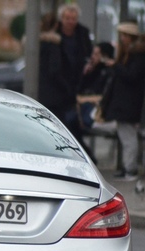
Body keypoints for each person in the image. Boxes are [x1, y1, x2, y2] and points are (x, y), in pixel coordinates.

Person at [98, 22, 145, 181]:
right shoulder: (130, 54)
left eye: (124, 36)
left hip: (128, 102)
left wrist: (116, 66)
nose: (121, 39)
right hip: (124, 102)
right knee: (125, 135)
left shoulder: (137, 55)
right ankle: (127, 167)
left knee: (128, 137)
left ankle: (131, 169)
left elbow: (132, 76)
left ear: (130, 38)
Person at [56, 3, 94, 158]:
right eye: (67, 18)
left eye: (73, 19)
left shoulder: (82, 33)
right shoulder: (55, 34)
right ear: (62, 19)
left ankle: (83, 153)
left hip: (79, 81)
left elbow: (88, 53)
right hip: (61, 84)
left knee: (74, 121)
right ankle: (84, 154)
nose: (70, 22)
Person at [38, 13, 72, 122]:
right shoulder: (54, 46)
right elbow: (54, 70)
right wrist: (66, 88)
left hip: (38, 93)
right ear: (56, 25)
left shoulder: (36, 45)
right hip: (53, 97)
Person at [77, 42, 115, 128]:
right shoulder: (93, 70)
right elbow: (80, 89)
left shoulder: (108, 72)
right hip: (85, 102)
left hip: (95, 105)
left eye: (96, 54)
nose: (93, 57)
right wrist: (85, 74)